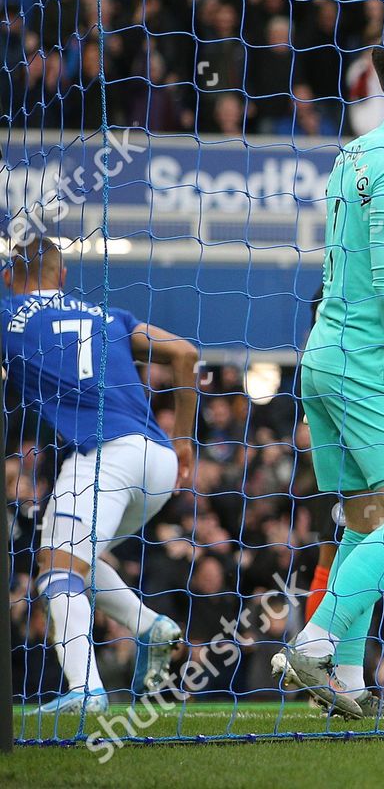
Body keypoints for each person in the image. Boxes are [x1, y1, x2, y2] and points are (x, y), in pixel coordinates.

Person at [273, 26, 384, 720]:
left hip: (321, 355)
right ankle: (315, 643)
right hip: (367, 365)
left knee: (362, 517)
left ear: (379, 81)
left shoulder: (350, 152)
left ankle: (345, 678)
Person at [2, 236, 199, 714]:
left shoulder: (7, 315)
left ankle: (86, 690)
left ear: (10, 276)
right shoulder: (107, 316)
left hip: (103, 454)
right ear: (63, 276)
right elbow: (186, 354)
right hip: (158, 460)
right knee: (69, 557)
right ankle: (150, 626)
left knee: (57, 574)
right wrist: (185, 438)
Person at [298, 291, 384, 711]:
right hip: (355, 397)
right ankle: (318, 649)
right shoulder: (371, 275)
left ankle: (378, 682)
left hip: (377, 395)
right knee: (349, 544)